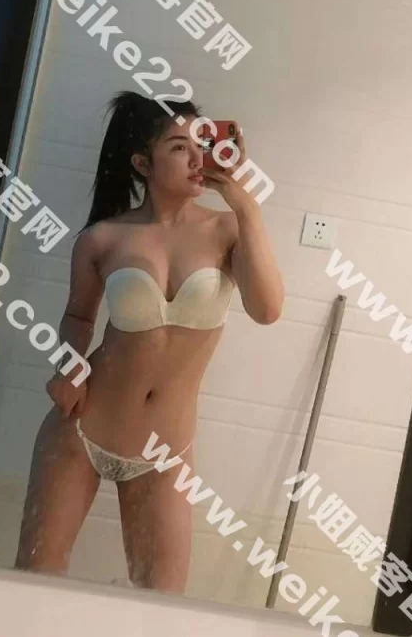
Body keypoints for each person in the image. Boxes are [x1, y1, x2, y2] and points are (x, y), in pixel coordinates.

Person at [15, 91, 284, 590]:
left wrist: (247, 207)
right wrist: (68, 365)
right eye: (180, 147)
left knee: (163, 600)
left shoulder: (227, 229)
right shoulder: (103, 238)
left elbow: (267, 311)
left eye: (202, 143)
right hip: (81, 430)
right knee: (36, 580)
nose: (197, 157)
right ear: (142, 163)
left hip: (165, 452)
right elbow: (78, 316)